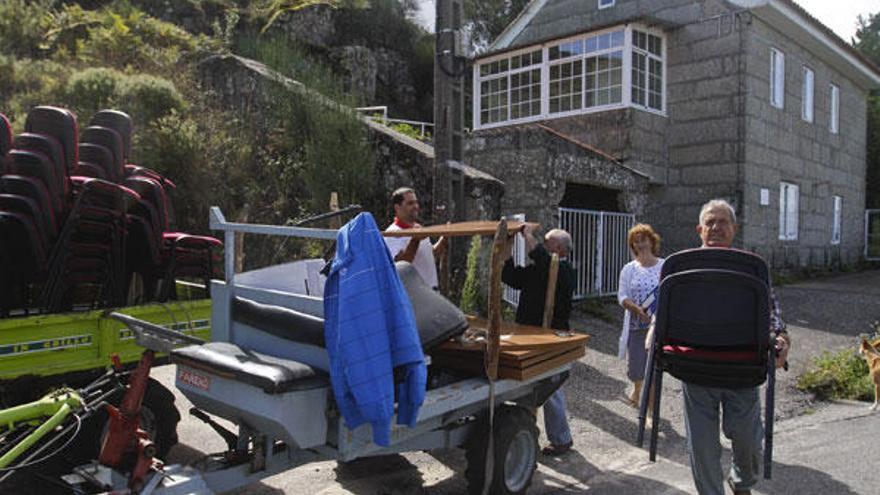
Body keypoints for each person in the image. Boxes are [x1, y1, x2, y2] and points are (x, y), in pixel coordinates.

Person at [673, 199, 791, 495]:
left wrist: (781, 337)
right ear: (699, 229)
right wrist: (653, 329)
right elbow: (666, 310)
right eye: (710, 222)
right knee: (702, 446)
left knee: (749, 442)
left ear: (734, 229)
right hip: (697, 369)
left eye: (723, 221)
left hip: (742, 367)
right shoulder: (683, 267)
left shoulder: (749, 268)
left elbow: (772, 312)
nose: (716, 227)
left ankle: (741, 482)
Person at [502, 225, 575, 455]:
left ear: (560, 249)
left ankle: (562, 440)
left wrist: (528, 236)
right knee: (526, 388)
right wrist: (507, 248)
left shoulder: (564, 271)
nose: (543, 245)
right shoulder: (540, 269)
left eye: (547, 242)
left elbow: (544, 260)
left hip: (552, 337)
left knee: (550, 389)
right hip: (528, 335)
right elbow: (512, 277)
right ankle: (527, 437)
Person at [617, 224, 664, 408]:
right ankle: (637, 388)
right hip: (636, 325)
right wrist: (637, 309)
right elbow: (622, 296)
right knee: (635, 367)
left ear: (652, 241)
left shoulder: (664, 265)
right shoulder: (629, 269)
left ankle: (650, 409)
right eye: (635, 241)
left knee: (652, 368)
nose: (640, 244)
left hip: (657, 326)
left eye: (643, 239)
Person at [383, 187, 447, 288]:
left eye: (416, 202)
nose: (416, 206)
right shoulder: (392, 234)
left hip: (430, 292)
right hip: (414, 295)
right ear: (397, 207)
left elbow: (430, 255)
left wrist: (444, 239)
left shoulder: (418, 228)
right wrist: (415, 239)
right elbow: (401, 266)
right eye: (410, 203)